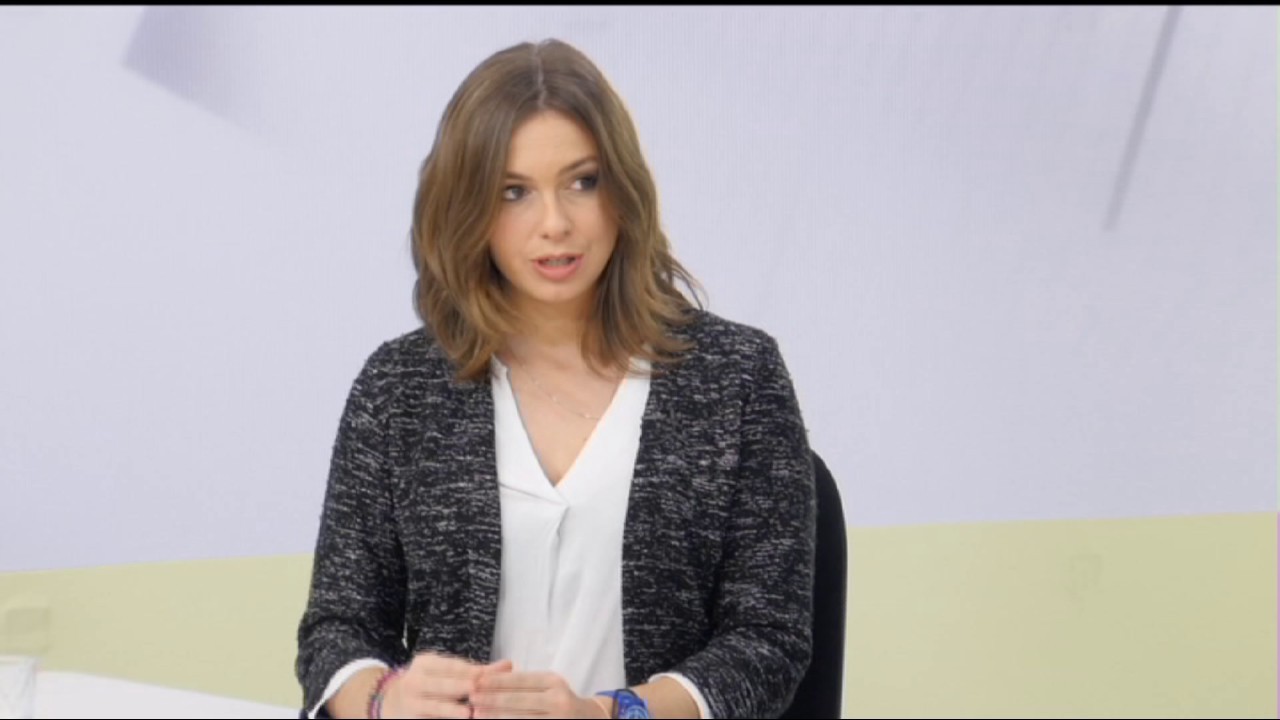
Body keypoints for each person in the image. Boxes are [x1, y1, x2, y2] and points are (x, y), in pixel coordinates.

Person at [295, 38, 816, 720]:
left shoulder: (738, 377)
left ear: (622, 190)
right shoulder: (398, 390)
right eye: (513, 192)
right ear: (468, 209)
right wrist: (383, 699)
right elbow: (337, 628)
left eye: (583, 182)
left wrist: (610, 714)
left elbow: (768, 642)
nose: (555, 224)